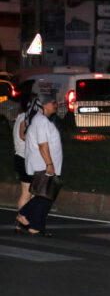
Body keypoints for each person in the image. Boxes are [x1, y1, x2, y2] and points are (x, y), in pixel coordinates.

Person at [15, 93, 62, 236]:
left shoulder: (39, 120)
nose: (56, 105)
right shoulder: (41, 120)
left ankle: (29, 220)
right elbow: (43, 144)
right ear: (45, 105)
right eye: (54, 102)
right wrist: (49, 164)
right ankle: (32, 223)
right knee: (45, 196)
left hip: (42, 164)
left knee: (43, 196)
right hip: (43, 164)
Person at [13, 96, 33, 209]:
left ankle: (26, 218)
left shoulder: (20, 117)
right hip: (24, 158)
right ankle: (22, 218)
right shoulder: (25, 118)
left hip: (21, 157)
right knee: (27, 192)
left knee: (29, 192)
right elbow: (22, 135)